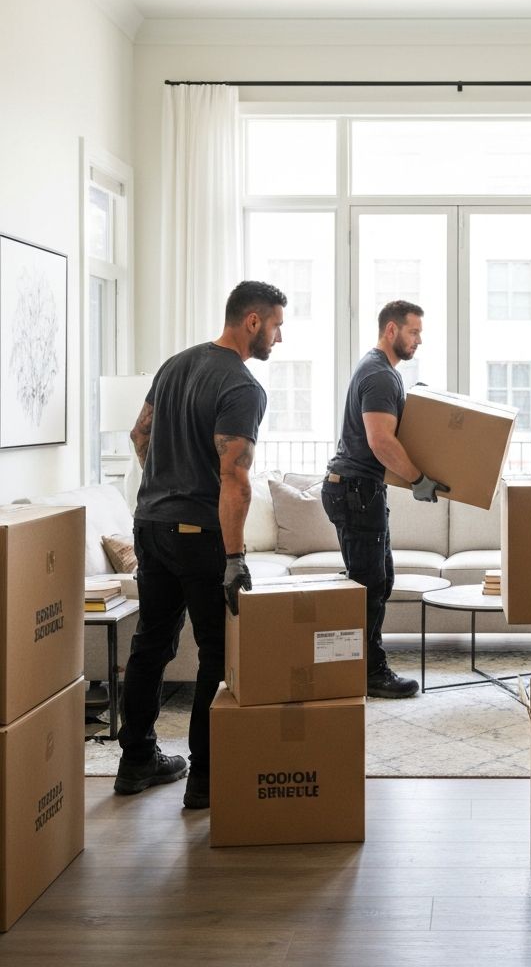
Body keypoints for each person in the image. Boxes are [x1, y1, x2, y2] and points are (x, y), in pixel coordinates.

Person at [113, 281, 287, 810]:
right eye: (277, 326)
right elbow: (235, 479)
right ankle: (206, 779)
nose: (280, 339)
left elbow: (138, 435)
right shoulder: (242, 387)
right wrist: (234, 560)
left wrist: (165, 487)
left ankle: (136, 761)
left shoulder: (175, 365)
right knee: (216, 651)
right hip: (198, 537)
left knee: (150, 643)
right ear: (252, 322)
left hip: (150, 524)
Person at [321, 300, 449, 699]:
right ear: (391, 330)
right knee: (369, 585)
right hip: (356, 489)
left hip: (359, 489)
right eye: (414, 332)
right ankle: (369, 672)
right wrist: (418, 480)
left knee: (380, 580)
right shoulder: (379, 375)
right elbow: (380, 441)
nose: (419, 341)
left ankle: (362, 664)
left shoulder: (380, 372)